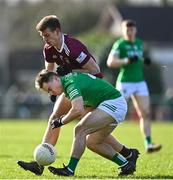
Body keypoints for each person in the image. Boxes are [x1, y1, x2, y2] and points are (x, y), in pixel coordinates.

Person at [17, 15, 139, 175]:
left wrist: (71, 73)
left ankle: (127, 154)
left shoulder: (74, 47)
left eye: (47, 35)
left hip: (89, 87)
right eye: (43, 37)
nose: (45, 40)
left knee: (87, 128)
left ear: (57, 31)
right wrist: (52, 88)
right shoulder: (48, 48)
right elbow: (50, 71)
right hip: (71, 85)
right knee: (56, 118)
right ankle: (40, 164)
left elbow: (96, 71)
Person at [34, 69, 140, 176]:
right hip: (112, 104)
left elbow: (77, 109)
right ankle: (126, 164)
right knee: (92, 143)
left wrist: (61, 121)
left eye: (49, 89)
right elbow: (82, 109)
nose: (51, 93)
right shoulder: (69, 83)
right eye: (48, 92)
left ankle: (70, 170)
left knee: (80, 129)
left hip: (114, 103)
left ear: (55, 78)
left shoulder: (70, 83)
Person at [106, 19, 161, 153]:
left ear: (135, 30)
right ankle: (103, 136)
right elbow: (110, 62)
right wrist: (126, 60)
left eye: (131, 30)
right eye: (127, 30)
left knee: (146, 113)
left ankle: (148, 144)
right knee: (115, 113)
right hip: (125, 82)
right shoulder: (120, 44)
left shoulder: (139, 43)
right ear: (123, 31)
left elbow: (138, 58)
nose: (130, 32)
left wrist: (144, 60)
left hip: (140, 82)